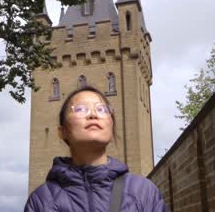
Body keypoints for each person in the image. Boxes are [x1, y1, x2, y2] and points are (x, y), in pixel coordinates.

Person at [24, 86, 166, 212]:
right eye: (80, 109)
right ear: (62, 131)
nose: (93, 114)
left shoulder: (143, 192)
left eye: (102, 109)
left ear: (111, 127)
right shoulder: (41, 201)